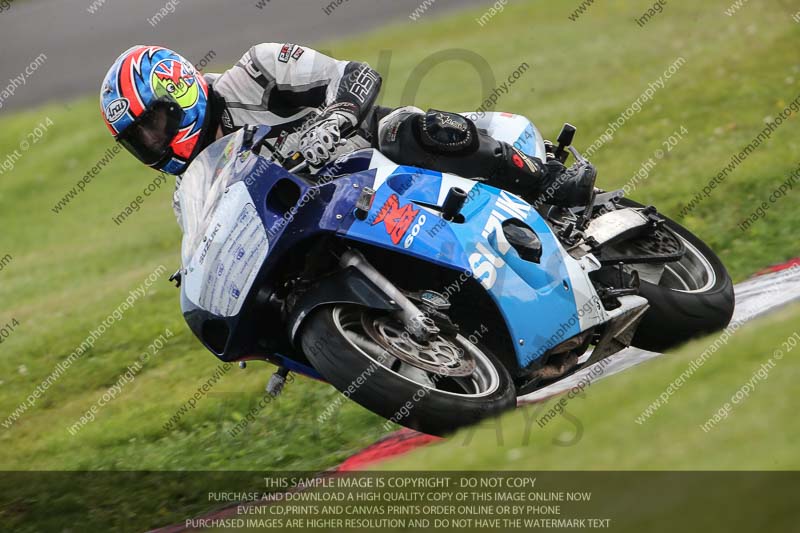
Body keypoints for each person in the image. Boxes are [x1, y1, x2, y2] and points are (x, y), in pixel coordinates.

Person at [99, 44, 595, 207]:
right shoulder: (192, 190)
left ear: (179, 90)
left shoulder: (257, 71)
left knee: (410, 128)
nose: (152, 142)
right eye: (139, 140)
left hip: (378, 157)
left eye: (153, 124)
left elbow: (356, 74)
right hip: (335, 213)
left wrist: (335, 118)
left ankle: (550, 181)